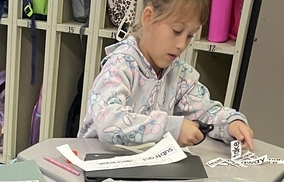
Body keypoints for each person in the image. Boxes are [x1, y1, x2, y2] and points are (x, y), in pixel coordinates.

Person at [79, 0, 254, 149]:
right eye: (177, 31)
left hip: (144, 171)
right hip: (99, 165)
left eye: (190, 36)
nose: (181, 44)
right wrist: (170, 128)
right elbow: (109, 122)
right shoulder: (120, 65)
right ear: (148, 18)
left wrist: (231, 124)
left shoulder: (180, 73)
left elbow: (207, 112)